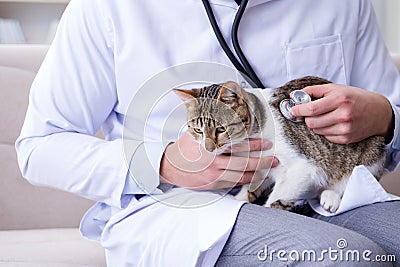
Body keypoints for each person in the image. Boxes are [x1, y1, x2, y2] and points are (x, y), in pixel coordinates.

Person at [15, 0, 400, 266]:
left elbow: (391, 125)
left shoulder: (345, 3)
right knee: (346, 257)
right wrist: (164, 163)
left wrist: (385, 118)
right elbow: (40, 147)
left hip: (326, 194)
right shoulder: (106, 8)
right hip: (184, 211)